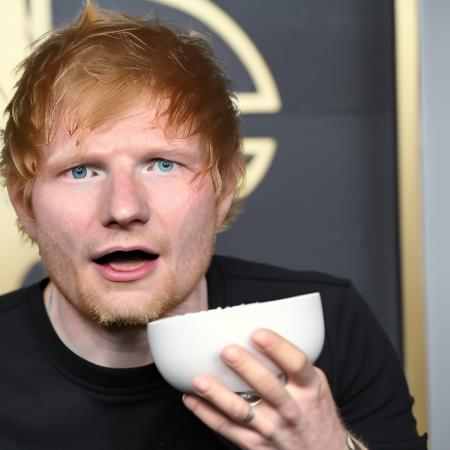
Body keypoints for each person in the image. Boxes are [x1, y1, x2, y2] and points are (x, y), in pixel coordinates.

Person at [0, 3, 427, 450]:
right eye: (82, 171)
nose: (124, 208)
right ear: (24, 204)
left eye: (162, 164)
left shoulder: (326, 327)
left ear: (224, 189)